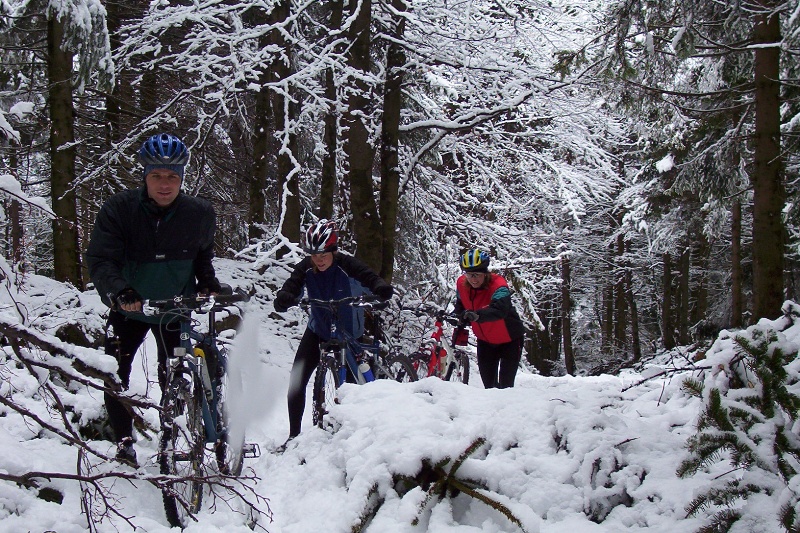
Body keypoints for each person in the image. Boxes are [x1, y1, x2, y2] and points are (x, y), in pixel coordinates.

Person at [85, 133, 222, 467]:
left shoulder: (199, 213)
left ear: (182, 178)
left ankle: (171, 436)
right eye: (157, 176)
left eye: (172, 176)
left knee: (172, 374)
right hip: (129, 310)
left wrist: (207, 281)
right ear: (145, 175)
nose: (165, 184)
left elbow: (202, 255)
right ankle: (124, 443)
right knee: (115, 375)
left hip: (174, 310)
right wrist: (121, 291)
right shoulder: (119, 209)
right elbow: (101, 259)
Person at [273, 220, 394, 441]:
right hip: (318, 329)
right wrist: (284, 298)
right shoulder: (305, 268)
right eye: (314, 254)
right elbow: (292, 286)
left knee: (351, 390)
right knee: (296, 380)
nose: (318, 259)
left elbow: (368, 277)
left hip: (348, 332)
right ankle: (293, 437)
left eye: (323, 254)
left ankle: (354, 435)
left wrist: (380, 288)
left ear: (334, 251)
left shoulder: (346, 265)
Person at [453, 249, 524, 389]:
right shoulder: (461, 284)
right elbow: (460, 305)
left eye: (477, 275)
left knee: (506, 386)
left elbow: (500, 310)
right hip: (485, 341)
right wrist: (461, 317)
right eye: (469, 274)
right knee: (489, 386)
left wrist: (478, 315)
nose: (473, 279)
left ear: (485, 273)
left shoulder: (498, 285)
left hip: (510, 339)